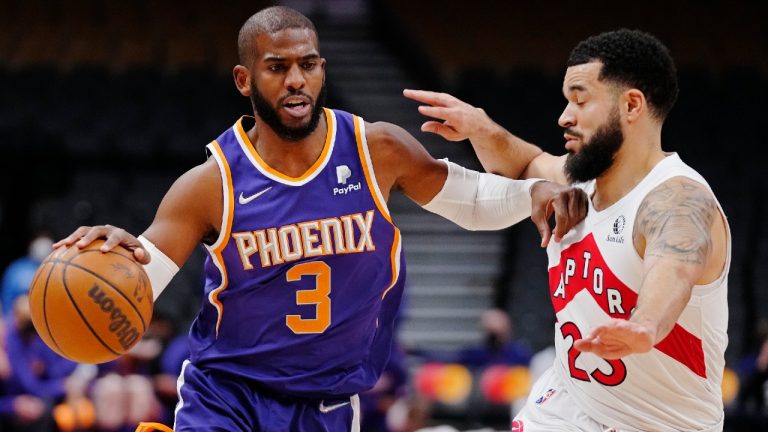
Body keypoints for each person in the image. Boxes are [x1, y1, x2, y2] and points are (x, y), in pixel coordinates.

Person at [53, 7, 588, 432]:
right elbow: (144, 278)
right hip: (227, 396)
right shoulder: (209, 184)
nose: (296, 80)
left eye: (307, 64)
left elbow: (468, 200)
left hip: (328, 404)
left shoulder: (375, 148)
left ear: (322, 69)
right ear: (244, 79)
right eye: (277, 66)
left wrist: (533, 191)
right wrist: (118, 255)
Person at [405, 29, 730, 431]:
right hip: (566, 405)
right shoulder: (580, 181)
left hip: (655, 423)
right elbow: (527, 164)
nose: (564, 116)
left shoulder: (678, 199)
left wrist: (645, 325)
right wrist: (481, 128)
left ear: (631, 104)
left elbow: (676, 268)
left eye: (580, 99)